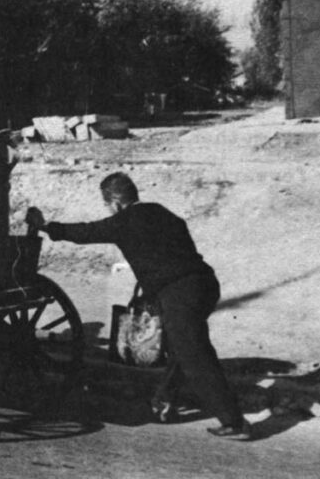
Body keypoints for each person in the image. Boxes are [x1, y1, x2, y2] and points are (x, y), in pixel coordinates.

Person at [25, 171, 251, 440]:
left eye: (109, 206)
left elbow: (85, 231)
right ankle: (163, 400)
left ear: (115, 203)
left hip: (179, 294)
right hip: (205, 284)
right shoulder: (163, 212)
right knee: (182, 348)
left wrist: (47, 227)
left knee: (196, 356)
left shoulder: (123, 221)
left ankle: (234, 422)